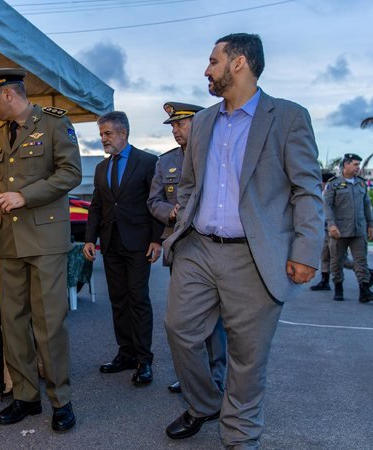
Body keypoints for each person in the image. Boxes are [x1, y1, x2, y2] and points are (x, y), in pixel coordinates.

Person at [162, 33, 323, 447]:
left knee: (247, 357)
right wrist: (180, 229)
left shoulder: (288, 117)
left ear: (239, 63)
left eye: (213, 61)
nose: (207, 70)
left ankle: (240, 437)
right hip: (198, 248)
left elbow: (307, 189)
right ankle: (204, 404)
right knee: (179, 330)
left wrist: (306, 250)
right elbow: (189, 184)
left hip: (254, 256)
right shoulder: (202, 122)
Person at [0, 67, 81, 432]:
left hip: (45, 240)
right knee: (13, 323)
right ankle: (25, 396)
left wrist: (24, 196)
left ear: (8, 94)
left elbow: (70, 173)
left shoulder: (54, 123)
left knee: (49, 323)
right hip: (8, 242)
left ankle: (61, 400)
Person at [147, 101, 226, 395]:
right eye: (173, 126)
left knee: (214, 318)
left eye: (181, 124)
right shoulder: (165, 161)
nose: (175, 130)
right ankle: (192, 376)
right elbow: (153, 201)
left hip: (216, 247)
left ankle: (216, 376)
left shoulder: (219, 155)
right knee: (185, 317)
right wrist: (168, 212)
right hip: (182, 246)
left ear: (200, 123)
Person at [83, 111, 163, 387]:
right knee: (118, 299)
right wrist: (90, 239)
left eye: (107, 133)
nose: (103, 139)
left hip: (139, 243)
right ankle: (126, 353)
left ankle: (144, 359)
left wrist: (157, 239)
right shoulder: (101, 168)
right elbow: (96, 206)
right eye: (101, 134)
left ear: (123, 133)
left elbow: (155, 202)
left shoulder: (147, 162)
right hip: (111, 243)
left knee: (138, 299)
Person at [323, 153, 373, 303]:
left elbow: (367, 205)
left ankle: (364, 291)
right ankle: (338, 288)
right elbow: (327, 206)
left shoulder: (361, 183)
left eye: (358, 165)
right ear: (346, 165)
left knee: (361, 261)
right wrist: (331, 225)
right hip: (339, 231)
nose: (358, 167)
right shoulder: (334, 183)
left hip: (358, 230)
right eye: (355, 164)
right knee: (336, 261)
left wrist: (370, 224)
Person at [310, 172, 365, 290]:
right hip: (324, 229)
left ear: (324, 182)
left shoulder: (333, 192)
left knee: (339, 258)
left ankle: (365, 272)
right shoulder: (321, 193)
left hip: (334, 229)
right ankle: (325, 280)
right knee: (325, 255)